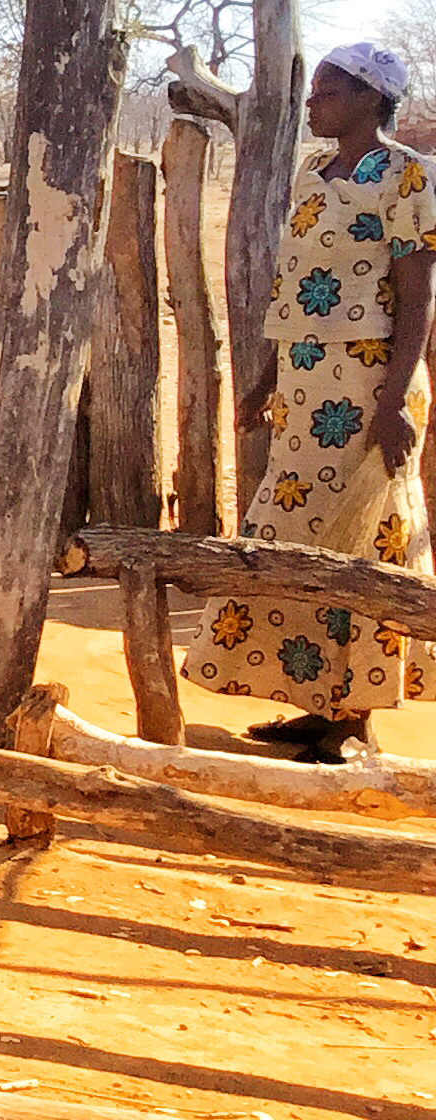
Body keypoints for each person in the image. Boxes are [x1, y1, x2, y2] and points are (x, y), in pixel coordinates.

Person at [188, 42, 436, 759]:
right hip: (305, 381)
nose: (313, 100)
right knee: (296, 530)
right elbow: (293, 290)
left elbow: (418, 298)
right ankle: (315, 701)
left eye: (328, 90)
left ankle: (355, 717)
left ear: (368, 98)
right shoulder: (311, 173)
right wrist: (266, 377)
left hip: (369, 384)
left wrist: (393, 403)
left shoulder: (407, 175)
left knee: (363, 536)